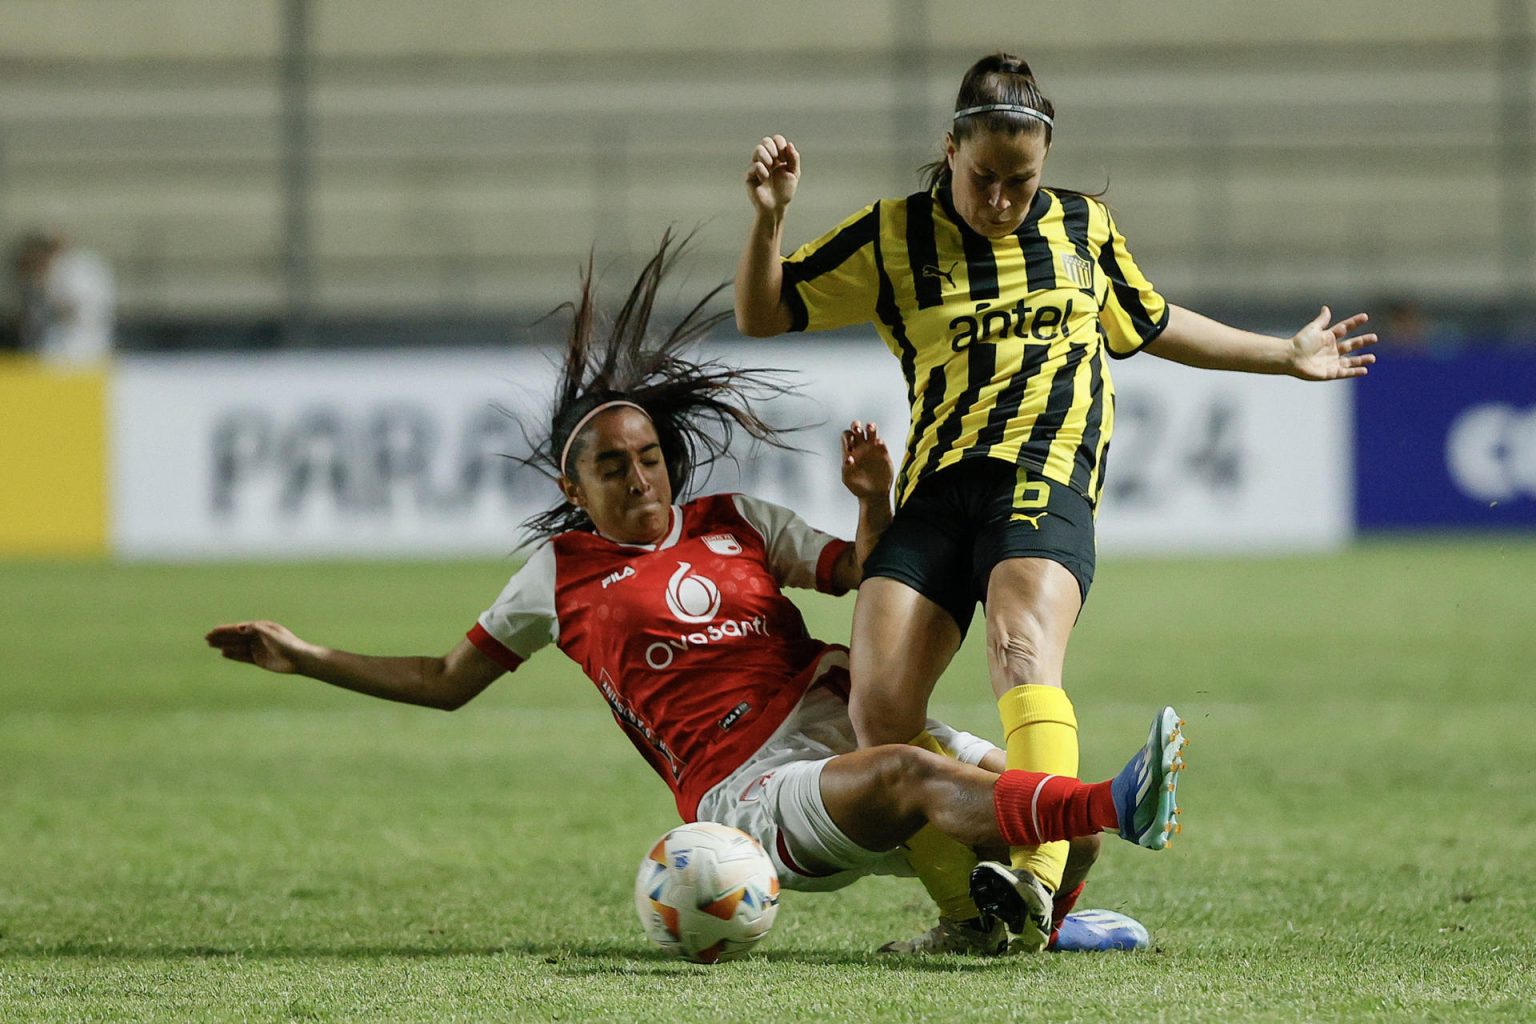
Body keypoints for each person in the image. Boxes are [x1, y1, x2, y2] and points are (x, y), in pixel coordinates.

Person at [206, 234, 1187, 956]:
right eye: (611, 467)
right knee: (926, 778)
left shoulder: (738, 520)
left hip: (841, 718)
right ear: (570, 488)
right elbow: (444, 678)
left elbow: (869, 577)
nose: (640, 480)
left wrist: (874, 502)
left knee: (1063, 834)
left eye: (648, 458)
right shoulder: (557, 578)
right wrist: (302, 654)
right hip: (747, 790)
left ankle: (1020, 926)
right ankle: (1118, 796)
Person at [735, 52, 1373, 951]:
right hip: (938, 488)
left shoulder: (1082, 227)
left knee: (1020, 646)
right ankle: (969, 922)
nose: (1002, 201)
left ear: (1045, 165)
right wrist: (769, 222)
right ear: (949, 149)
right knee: (877, 711)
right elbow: (765, 314)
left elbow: (1152, 323)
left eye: (1020, 182)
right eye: (984, 179)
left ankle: (1033, 881)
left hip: (1046, 471)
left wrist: (1282, 353)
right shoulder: (891, 236)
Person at [13, 228, 115, 366]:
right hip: (52, 348)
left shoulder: (77, 268)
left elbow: (76, 308)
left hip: (83, 344)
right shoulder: (39, 280)